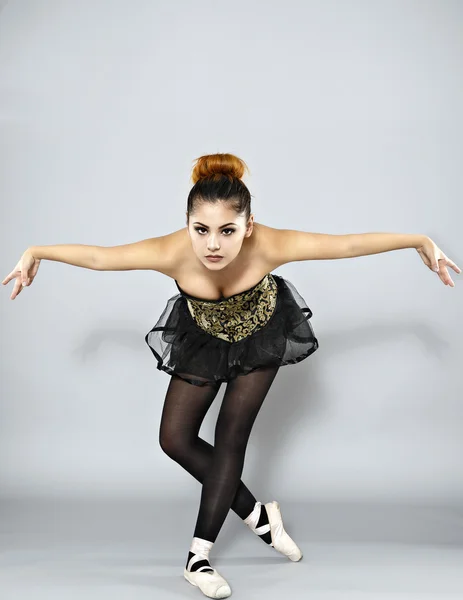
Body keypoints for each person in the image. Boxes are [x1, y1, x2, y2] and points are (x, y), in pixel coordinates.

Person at [2, 153, 460, 599]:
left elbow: (347, 245)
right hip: (204, 337)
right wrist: (35, 251)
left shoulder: (271, 245)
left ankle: (197, 558)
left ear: (249, 225)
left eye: (227, 231)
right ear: (187, 226)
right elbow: (102, 258)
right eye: (201, 231)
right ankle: (259, 516)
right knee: (174, 439)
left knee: (230, 437)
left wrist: (418, 240)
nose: (213, 245)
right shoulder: (172, 252)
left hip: (260, 333)